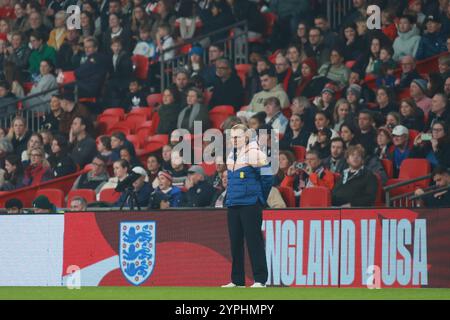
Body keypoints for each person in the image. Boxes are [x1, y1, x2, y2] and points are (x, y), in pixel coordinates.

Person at [222, 124, 272, 288]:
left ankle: (260, 280)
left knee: (254, 241)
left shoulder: (256, 153)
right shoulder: (231, 155)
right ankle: (237, 281)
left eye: (237, 137)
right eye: (232, 137)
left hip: (250, 204)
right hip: (234, 203)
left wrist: (259, 197)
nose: (234, 140)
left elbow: (267, 178)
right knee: (235, 243)